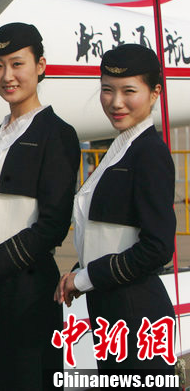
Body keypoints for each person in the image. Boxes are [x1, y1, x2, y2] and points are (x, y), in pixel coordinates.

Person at [0, 23, 80, 390]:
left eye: (17, 64)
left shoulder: (56, 134)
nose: (7, 76)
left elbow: (52, 226)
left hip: (29, 288)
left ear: (40, 66)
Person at [55, 44, 175, 377]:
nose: (116, 102)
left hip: (137, 312)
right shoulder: (122, 148)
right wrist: (78, 273)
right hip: (113, 308)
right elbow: (112, 236)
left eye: (129, 91)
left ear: (155, 93)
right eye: (107, 90)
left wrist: (85, 277)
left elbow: (157, 247)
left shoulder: (149, 153)